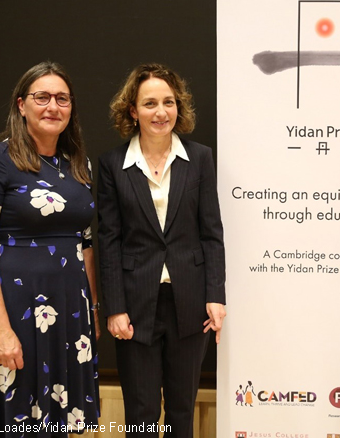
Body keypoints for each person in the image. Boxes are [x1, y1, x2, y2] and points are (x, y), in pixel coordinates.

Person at [0, 62, 100, 437]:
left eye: (62, 98)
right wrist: (1, 329)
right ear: (22, 105)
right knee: (16, 423)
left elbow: (85, 244)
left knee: (63, 424)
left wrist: (94, 310)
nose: (52, 106)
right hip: (17, 313)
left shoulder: (79, 164)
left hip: (72, 315)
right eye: (42, 97)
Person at [98, 63, 226, 436]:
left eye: (168, 102)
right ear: (133, 110)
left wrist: (216, 296)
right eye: (150, 103)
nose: (161, 112)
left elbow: (211, 232)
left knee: (183, 409)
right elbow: (108, 240)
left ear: (178, 107)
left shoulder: (199, 158)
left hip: (190, 302)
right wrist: (115, 307)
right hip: (136, 305)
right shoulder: (112, 165)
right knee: (142, 412)